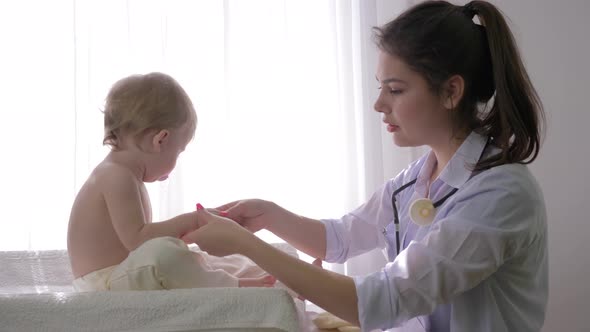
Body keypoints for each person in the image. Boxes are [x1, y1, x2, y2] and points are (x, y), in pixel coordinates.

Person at [181, 1, 548, 331]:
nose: (379, 104)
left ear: (452, 91)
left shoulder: (501, 193)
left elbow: (384, 301)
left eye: (396, 89)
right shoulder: (417, 178)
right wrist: (267, 216)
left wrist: (248, 246)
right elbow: (341, 238)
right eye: (380, 87)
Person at [67, 72, 275, 291]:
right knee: (166, 254)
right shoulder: (116, 176)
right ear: (161, 140)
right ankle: (235, 286)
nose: (176, 160)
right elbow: (138, 241)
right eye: (179, 151)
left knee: (196, 257)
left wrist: (194, 231)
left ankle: (275, 278)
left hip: (123, 274)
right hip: (104, 286)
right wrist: (193, 221)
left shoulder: (121, 173)